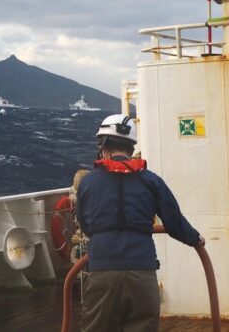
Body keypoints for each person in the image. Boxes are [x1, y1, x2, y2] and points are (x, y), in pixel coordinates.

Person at [76, 114, 204, 332]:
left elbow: (85, 224)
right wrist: (195, 238)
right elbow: (173, 221)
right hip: (141, 271)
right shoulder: (151, 180)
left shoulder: (88, 183)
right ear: (131, 146)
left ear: (103, 146)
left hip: (102, 271)